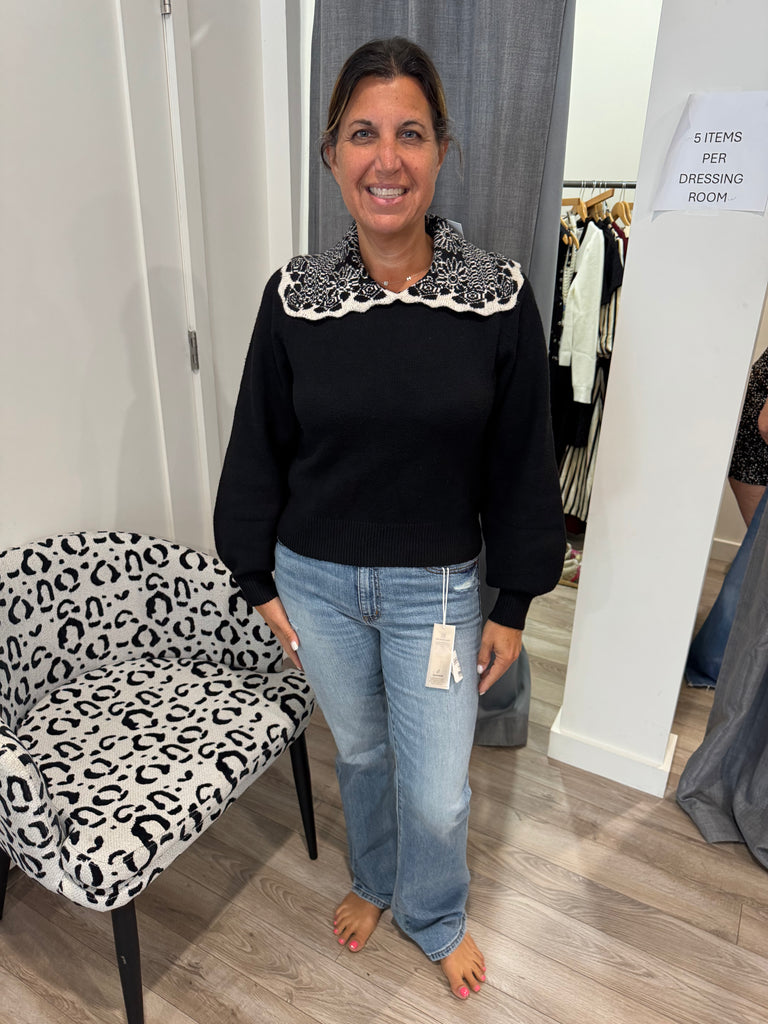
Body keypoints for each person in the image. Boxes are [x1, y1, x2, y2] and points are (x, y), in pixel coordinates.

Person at [213, 36, 564, 1000]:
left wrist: (513, 602)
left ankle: (432, 911)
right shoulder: (295, 298)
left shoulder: (496, 297)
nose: (387, 158)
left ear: (442, 150)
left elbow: (522, 460)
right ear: (332, 155)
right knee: (363, 755)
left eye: (410, 133)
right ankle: (375, 880)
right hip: (315, 584)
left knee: (439, 791)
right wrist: (256, 579)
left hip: (436, 593)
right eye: (363, 134)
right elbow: (258, 444)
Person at [685, 349, 768, 688]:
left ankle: (722, 661)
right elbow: (767, 424)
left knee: (755, 560)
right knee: (757, 561)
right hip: (757, 458)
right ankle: (718, 662)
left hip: (753, 453)